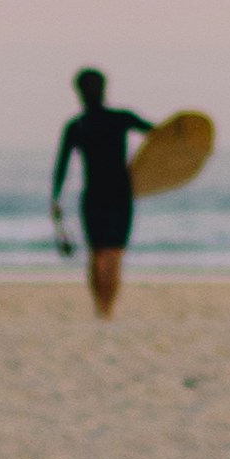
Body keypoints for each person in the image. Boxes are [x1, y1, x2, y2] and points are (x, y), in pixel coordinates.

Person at [51, 64, 159, 317]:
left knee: (97, 254)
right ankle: (108, 309)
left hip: (94, 196)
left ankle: (99, 308)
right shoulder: (121, 118)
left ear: (78, 92)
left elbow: (61, 166)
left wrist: (55, 199)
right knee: (114, 255)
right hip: (120, 194)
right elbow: (159, 136)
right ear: (104, 89)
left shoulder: (77, 125)